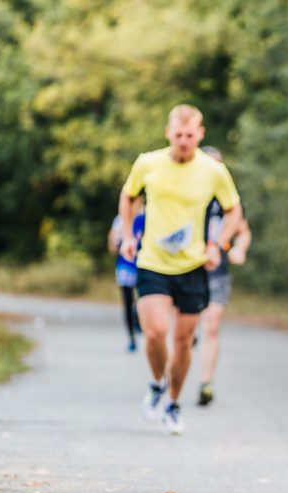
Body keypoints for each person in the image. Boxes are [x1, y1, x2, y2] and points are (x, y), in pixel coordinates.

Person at [118, 104, 243, 435]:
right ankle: (157, 381)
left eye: (190, 135)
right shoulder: (148, 163)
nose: (184, 141)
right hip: (152, 261)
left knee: (184, 340)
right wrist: (129, 236)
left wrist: (218, 244)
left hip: (192, 265)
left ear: (200, 134)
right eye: (178, 135)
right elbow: (129, 197)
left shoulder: (213, 170)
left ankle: (173, 403)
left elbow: (233, 210)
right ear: (168, 133)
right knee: (156, 331)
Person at [195, 145, 252, 406]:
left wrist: (239, 248)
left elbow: (243, 230)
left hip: (216, 270)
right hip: (186, 269)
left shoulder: (228, 199)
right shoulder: (187, 195)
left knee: (213, 325)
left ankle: (206, 383)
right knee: (184, 330)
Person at [108, 198, 145, 352]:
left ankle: (141, 322)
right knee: (127, 300)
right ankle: (131, 337)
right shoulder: (120, 220)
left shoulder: (147, 218)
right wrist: (117, 240)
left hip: (144, 264)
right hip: (125, 265)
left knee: (145, 300)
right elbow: (112, 247)